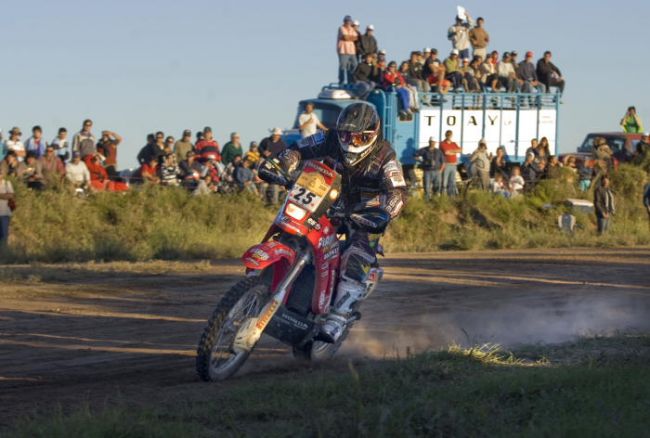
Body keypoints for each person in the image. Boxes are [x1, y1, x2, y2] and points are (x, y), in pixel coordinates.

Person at [277, 102, 407, 343]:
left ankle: (338, 314)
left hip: (366, 211)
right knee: (296, 227)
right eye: (345, 134)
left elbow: (398, 192)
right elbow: (295, 149)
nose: (349, 142)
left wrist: (386, 213)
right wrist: (283, 164)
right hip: (327, 199)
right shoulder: (328, 138)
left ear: (371, 134)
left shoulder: (385, 156)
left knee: (359, 250)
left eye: (358, 138)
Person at [259, 128, 287, 205]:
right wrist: (263, 152)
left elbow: (284, 155)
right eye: (275, 135)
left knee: (274, 184)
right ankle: (261, 202)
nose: (276, 136)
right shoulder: (266, 140)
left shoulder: (282, 144)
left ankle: (273, 203)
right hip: (265, 162)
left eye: (277, 135)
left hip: (276, 164)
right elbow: (260, 148)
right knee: (263, 184)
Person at [439, 130, 462, 195]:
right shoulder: (442, 143)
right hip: (446, 164)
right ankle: (444, 196)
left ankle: (451, 196)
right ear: (446, 135)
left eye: (450, 134)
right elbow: (446, 152)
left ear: (451, 135)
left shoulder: (453, 143)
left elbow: (460, 150)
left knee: (452, 181)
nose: (449, 136)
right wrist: (454, 151)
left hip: (454, 165)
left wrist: (451, 151)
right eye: (448, 134)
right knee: (444, 181)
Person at [337, 15, 358, 84]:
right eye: (347, 21)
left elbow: (356, 37)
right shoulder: (341, 28)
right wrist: (350, 38)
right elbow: (345, 37)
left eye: (349, 21)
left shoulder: (352, 29)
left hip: (352, 51)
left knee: (354, 64)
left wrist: (349, 37)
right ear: (344, 22)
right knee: (343, 66)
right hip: (343, 50)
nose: (348, 23)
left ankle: (351, 80)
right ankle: (341, 81)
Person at [0, 171, 14, 245]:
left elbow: (10, 195)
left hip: (4, 212)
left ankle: (4, 250)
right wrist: (3, 196)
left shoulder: (6, 183)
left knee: (4, 234)